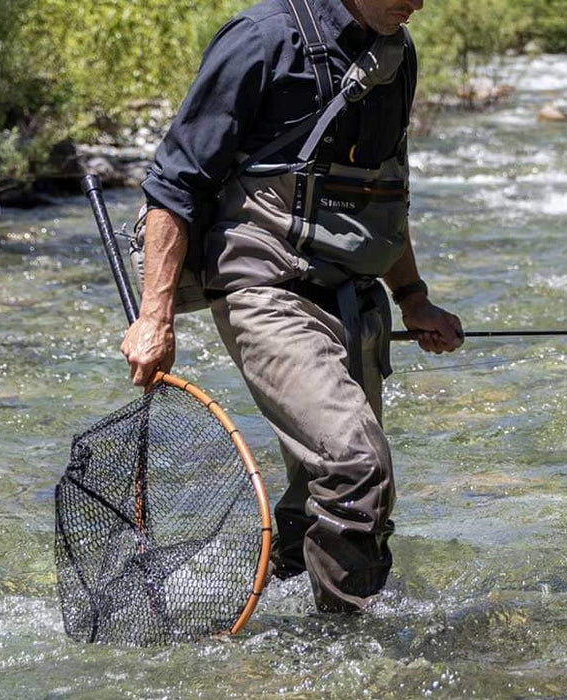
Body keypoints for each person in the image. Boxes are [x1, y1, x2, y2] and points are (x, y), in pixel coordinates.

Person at [121, 0, 464, 613]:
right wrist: (155, 316)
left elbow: (384, 189)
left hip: (353, 297)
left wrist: (412, 297)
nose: (420, 2)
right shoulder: (261, 39)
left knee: (323, 487)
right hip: (264, 286)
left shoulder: (396, 50)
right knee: (356, 464)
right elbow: (175, 184)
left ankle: (278, 604)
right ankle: (350, 647)